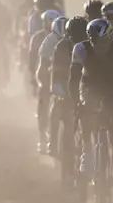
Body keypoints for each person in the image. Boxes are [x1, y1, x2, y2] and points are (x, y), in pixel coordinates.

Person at [71, 18, 113, 202]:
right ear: (89, 40)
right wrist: (76, 102)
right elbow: (73, 79)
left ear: (109, 39)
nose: (99, 47)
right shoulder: (80, 49)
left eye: (103, 42)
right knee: (86, 111)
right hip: (90, 87)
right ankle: (87, 151)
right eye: (95, 42)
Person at [51, 16, 89, 185]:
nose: (77, 40)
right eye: (74, 36)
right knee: (68, 132)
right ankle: (67, 171)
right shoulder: (61, 47)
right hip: (67, 91)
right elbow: (56, 75)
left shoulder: (91, 47)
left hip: (86, 91)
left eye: (81, 36)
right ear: (68, 35)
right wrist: (61, 92)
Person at [34, 15, 68, 153]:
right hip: (51, 72)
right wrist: (43, 85)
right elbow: (42, 65)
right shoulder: (49, 40)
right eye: (57, 38)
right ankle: (48, 139)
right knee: (49, 101)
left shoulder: (73, 41)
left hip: (67, 72)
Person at [24, 8, 61, 102]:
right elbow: (32, 55)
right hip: (43, 65)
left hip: (59, 66)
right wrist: (32, 70)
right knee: (43, 89)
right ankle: (42, 112)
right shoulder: (37, 37)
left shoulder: (62, 36)